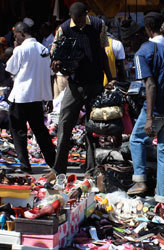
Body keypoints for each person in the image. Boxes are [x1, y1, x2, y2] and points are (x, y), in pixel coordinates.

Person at [46, 2, 112, 181]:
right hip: (75, 85)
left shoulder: (98, 25)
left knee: (92, 128)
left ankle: (91, 169)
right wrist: (57, 62)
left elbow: (102, 52)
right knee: (64, 125)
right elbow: (54, 52)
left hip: (96, 83)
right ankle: (58, 169)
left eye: (81, 19)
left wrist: (110, 77)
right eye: (76, 20)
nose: (79, 24)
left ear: (86, 14)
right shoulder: (64, 29)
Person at [126, 12, 164, 203]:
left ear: (147, 29)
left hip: (157, 109)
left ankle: (140, 179)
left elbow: (150, 84)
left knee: (136, 140)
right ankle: (162, 198)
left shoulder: (143, 52)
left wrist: (149, 117)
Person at [5, 22, 56, 174]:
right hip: (36, 97)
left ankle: (25, 165)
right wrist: (49, 97)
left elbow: (10, 69)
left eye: (16, 36)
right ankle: (53, 161)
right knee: (40, 130)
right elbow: (49, 75)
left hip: (21, 97)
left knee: (18, 131)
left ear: (21, 33)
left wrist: (15, 49)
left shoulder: (21, 49)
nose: (15, 39)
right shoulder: (43, 49)